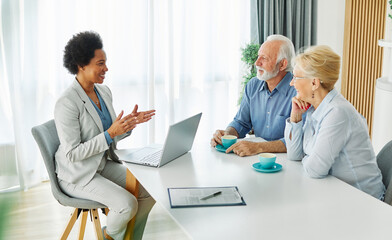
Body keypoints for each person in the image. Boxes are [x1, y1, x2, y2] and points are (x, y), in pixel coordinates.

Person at [55, 31, 156, 240]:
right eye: (100, 63)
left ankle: (130, 238)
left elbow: (109, 136)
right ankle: (109, 237)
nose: (106, 68)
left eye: (106, 62)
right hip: (77, 174)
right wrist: (110, 133)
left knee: (149, 190)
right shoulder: (67, 103)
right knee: (127, 204)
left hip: (101, 164)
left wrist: (127, 125)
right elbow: (73, 153)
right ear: (81, 65)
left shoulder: (104, 91)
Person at [285, 45, 385, 199]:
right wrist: (295, 118)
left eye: (296, 77)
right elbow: (294, 155)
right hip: (336, 192)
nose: (292, 83)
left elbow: (315, 170)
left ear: (314, 83)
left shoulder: (338, 113)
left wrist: (309, 159)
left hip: (363, 200)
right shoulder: (314, 109)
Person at [210, 34, 297, 156]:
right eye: (258, 56)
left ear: (282, 64)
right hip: (259, 161)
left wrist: (259, 147)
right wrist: (227, 135)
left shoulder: (299, 90)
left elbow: (298, 140)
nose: (257, 63)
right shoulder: (253, 85)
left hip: (289, 161)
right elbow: (241, 122)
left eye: (264, 58)